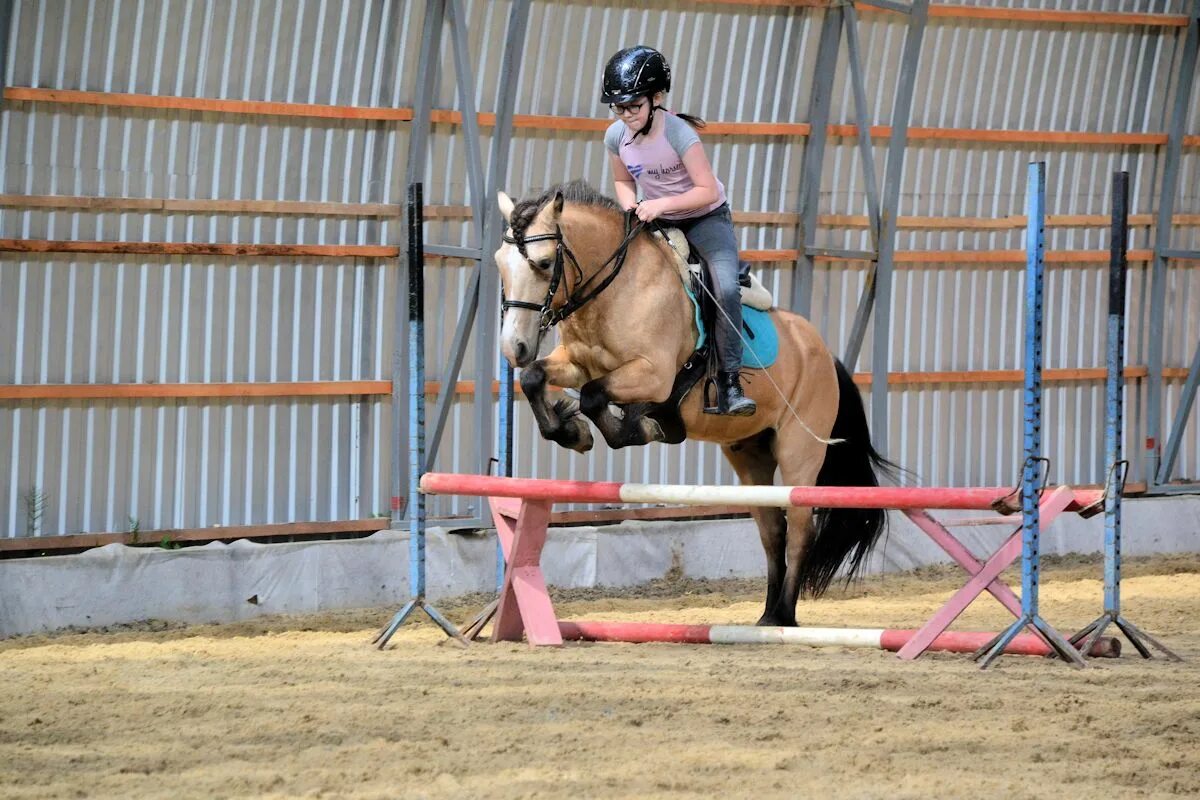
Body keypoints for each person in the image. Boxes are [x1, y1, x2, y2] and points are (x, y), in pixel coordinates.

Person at [600, 45, 756, 417]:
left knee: (726, 287)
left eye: (633, 106)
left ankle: (730, 382)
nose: (625, 115)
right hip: (657, 218)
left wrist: (660, 205)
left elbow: (706, 190)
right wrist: (630, 209)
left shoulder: (680, 133)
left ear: (657, 99)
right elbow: (622, 181)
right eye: (618, 108)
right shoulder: (615, 136)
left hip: (706, 218)